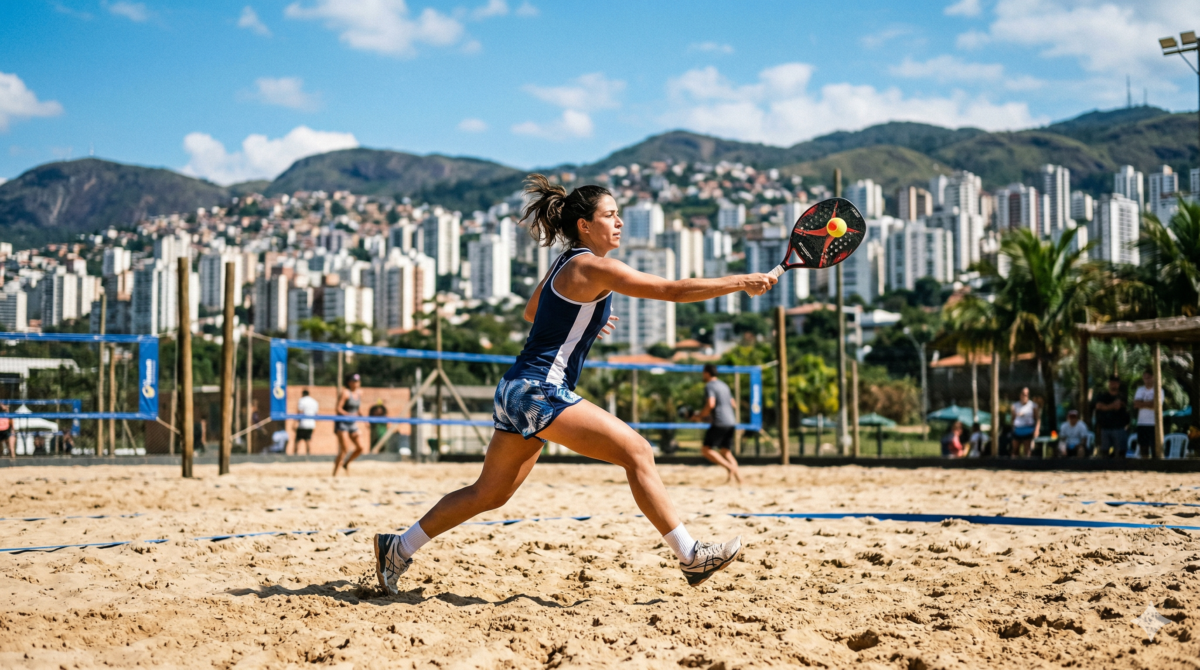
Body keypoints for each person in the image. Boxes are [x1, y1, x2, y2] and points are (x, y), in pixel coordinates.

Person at [372, 175, 776, 595]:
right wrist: (741, 281)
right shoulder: (593, 266)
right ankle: (691, 556)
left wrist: (585, 320)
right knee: (638, 451)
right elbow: (671, 291)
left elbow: (533, 311)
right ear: (585, 225)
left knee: (488, 493)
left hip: (515, 388)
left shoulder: (566, 263)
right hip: (541, 391)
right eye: (610, 215)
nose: (619, 222)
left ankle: (398, 547)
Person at [693, 363, 742, 485]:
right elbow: (733, 404)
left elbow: (711, 404)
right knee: (726, 452)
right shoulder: (724, 386)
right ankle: (739, 479)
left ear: (707, 373)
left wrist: (701, 415)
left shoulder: (710, 386)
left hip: (720, 422)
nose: (702, 375)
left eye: (703, 372)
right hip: (731, 421)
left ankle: (730, 468)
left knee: (706, 450)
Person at [333, 374, 365, 475]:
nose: (356, 383)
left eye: (358, 381)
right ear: (349, 382)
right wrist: (349, 415)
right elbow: (338, 408)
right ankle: (334, 474)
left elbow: (358, 409)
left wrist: (365, 420)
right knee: (345, 449)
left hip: (352, 423)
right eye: (354, 381)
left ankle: (346, 463)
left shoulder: (360, 393)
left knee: (360, 448)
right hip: (342, 423)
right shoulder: (345, 393)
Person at [1092, 375, 1129, 459]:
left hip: (1119, 427)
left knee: (1120, 451)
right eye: (1111, 382)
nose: (1113, 384)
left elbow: (1118, 406)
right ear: (1109, 383)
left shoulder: (1122, 396)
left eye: (1115, 382)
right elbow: (1098, 406)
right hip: (1105, 427)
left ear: (1118, 384)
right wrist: (1112, 406)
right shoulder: (1102, 395)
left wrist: (1105, 407)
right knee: (1104, 451)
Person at [1133, 369, 1157, 456]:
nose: (1147, 380)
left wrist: (1142, 403)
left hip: (1154, 423)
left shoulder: (1158, 390)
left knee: (1155, 447)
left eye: (1149, 378)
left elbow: (1155, 405)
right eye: (1145, 378)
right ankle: (1145, 465)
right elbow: (1135, 404)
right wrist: (1149, 403)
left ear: (1153, 378)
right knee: (1143, 446)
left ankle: (1156, 465)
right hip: (1142, 423)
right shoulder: (1140, 390)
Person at [1011, 387, 1039, 458]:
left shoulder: (1033, 406)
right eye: (1023, 394)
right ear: (1020, 395)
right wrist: (1013, 428)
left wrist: (1036, 430)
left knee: (1027, 450)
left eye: (1026, 394)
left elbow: (1038, 419)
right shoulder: (1014, 406)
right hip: (1017, 429)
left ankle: (1027, 466)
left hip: (1028, 430)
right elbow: (1013, 418)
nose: (1024, 396)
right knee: (1015, 450)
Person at [295, 389, 318, 455]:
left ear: (303, 394)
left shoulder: (302, 400)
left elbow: (300, 412)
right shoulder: (314, 402)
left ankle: (295, 456)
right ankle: (308, 456)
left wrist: (296, 423)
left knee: (297, 440)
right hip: (311, 424)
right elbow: (316, 414)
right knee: (308, 440)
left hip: (302, 424)